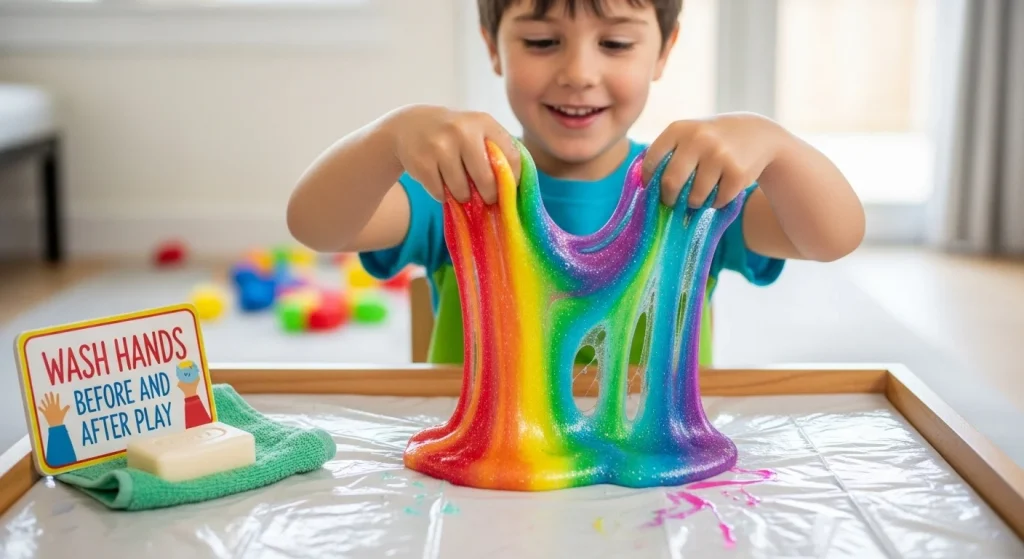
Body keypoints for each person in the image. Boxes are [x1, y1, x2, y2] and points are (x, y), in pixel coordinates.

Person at [286, 0, 865, 366]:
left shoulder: (691, 192)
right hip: (487, 494)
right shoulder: (461, 187)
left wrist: (777, 146)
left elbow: (832, 237)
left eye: (614, 43)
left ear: (665, 50)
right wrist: (390, 136)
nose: (578, 74)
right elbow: (316, 224)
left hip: (657, 494)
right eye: (541, 41)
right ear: (494, 48)